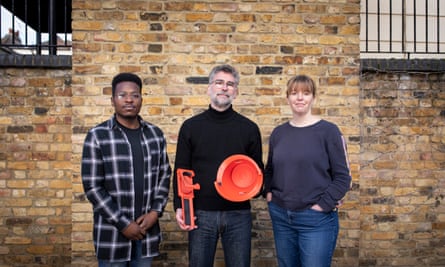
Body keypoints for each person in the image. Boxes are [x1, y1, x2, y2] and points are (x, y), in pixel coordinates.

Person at [173, 64, 264, 267]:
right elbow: (181, 169)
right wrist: (180, 205)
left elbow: (258, 173)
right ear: (209, 88)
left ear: (236, 92)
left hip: (238, 214)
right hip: (201, 213)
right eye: (219, 83)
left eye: (230, 84)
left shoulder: (249, 129)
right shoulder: (191, 127)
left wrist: (254, 188)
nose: (224, 88)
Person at [81, 72, 171, 267]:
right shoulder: (97, 136)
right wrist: (123, 224)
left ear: (141, 99)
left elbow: (164, 175)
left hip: (146, 233)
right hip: (112, 237)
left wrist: (155, 212)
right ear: (112, 100)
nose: (129, 100)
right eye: (122, 95)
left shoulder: (155, 134)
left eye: (135, 95)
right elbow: (92, 187)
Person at [264, 74, 351, 267]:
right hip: (281, 216)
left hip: (316, 220)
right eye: (294, 93)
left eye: (306, 93)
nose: (300, 98)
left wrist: (322, 205)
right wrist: (269, 194)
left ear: (313, 97)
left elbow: (343, 177)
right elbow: (269, 169)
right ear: (287, 98)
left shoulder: (329, 132)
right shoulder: (279, 133)